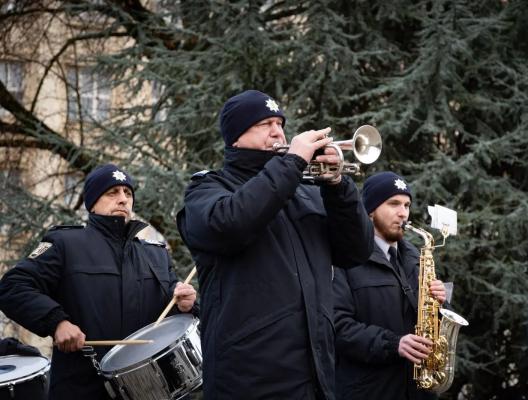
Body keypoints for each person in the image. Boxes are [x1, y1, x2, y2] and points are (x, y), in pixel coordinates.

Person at [176, 89, 373, 399]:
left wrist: (338, 187)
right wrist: (292, 162)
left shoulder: (307, 191)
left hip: (315, 375)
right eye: (265, 123)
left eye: (280, 123)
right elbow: (231, 224)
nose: (278, 131)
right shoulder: (208, 189)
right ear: (236, 137)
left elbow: (357, 251)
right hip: (249, 378)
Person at [0, 164, 197, 400]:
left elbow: (168, 317)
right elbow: (12, 287)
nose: (123, 199)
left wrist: (186, 305)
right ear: (92, 203)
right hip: (81, 390)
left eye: (128, 193)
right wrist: (56, 322)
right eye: (112, 193)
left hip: (148, 391)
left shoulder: (155, 254)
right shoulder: (66, 244)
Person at [333, 171, 447, 400]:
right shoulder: (345, 258)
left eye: (406, 205)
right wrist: (394, 344)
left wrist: (442, 303)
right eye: (393, 203)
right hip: (369, 390)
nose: (403, 213)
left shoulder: (416, 257)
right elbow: (337, 327)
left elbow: (432, 323)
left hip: (418, 390)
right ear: (370, 210)